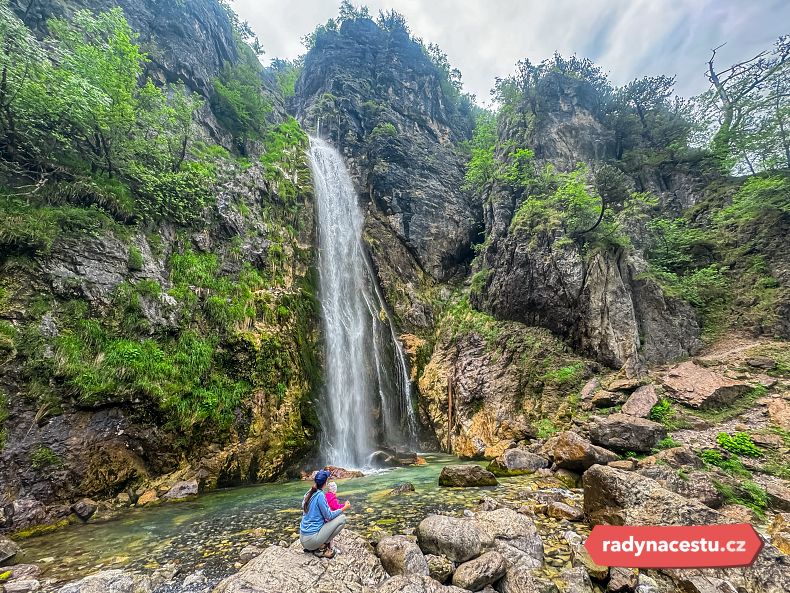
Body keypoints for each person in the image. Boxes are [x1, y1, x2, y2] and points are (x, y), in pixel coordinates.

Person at [299, 469, 351, 558]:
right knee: (342, 519)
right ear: (325, 483)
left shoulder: (308, 493)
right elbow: (329, 516)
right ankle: (321, 547)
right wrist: (343, 508)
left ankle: (318, 546)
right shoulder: (320, 495)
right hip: (311, 541)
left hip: (303, 539)